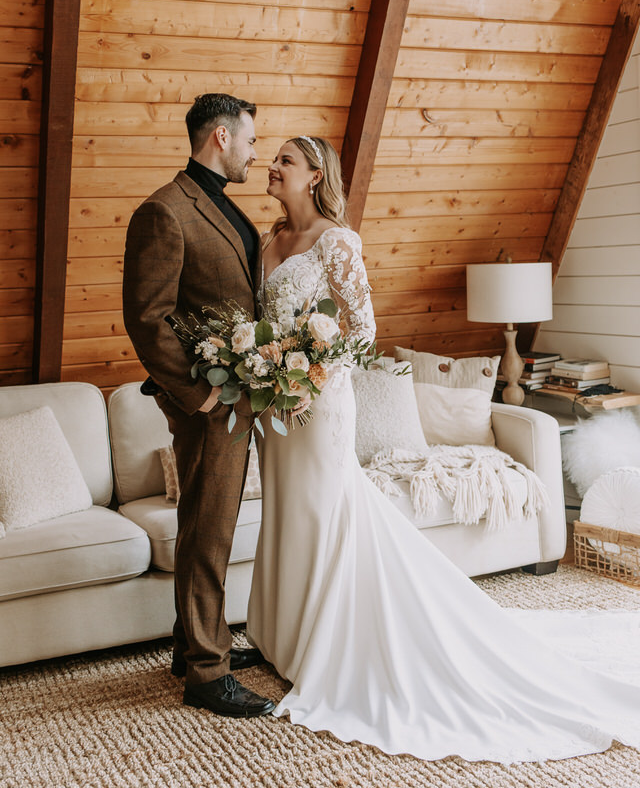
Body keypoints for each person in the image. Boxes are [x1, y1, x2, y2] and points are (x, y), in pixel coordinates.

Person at [246, 134, 640, 762]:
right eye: (273, 160)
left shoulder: (337, 241)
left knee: (323, 510)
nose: (271, 167)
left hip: (319, 403)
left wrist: (309, 373)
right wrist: (268, 368)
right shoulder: (266, 241)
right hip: (277, 405)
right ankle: (282, 637)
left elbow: (363, 328)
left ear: (316, 174)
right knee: (287, 513)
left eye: (285, 161)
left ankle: (327, 643)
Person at [122, 93, 275, 718]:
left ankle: (194, 644)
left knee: (207, 525)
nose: (255, 152)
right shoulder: (163, 211)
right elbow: (147, 317)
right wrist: (202, 392)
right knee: (211, 531)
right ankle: (207, 675)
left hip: (239, 394)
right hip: (207, 403)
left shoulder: (223, 205)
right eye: (251, 140)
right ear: (220, 136)